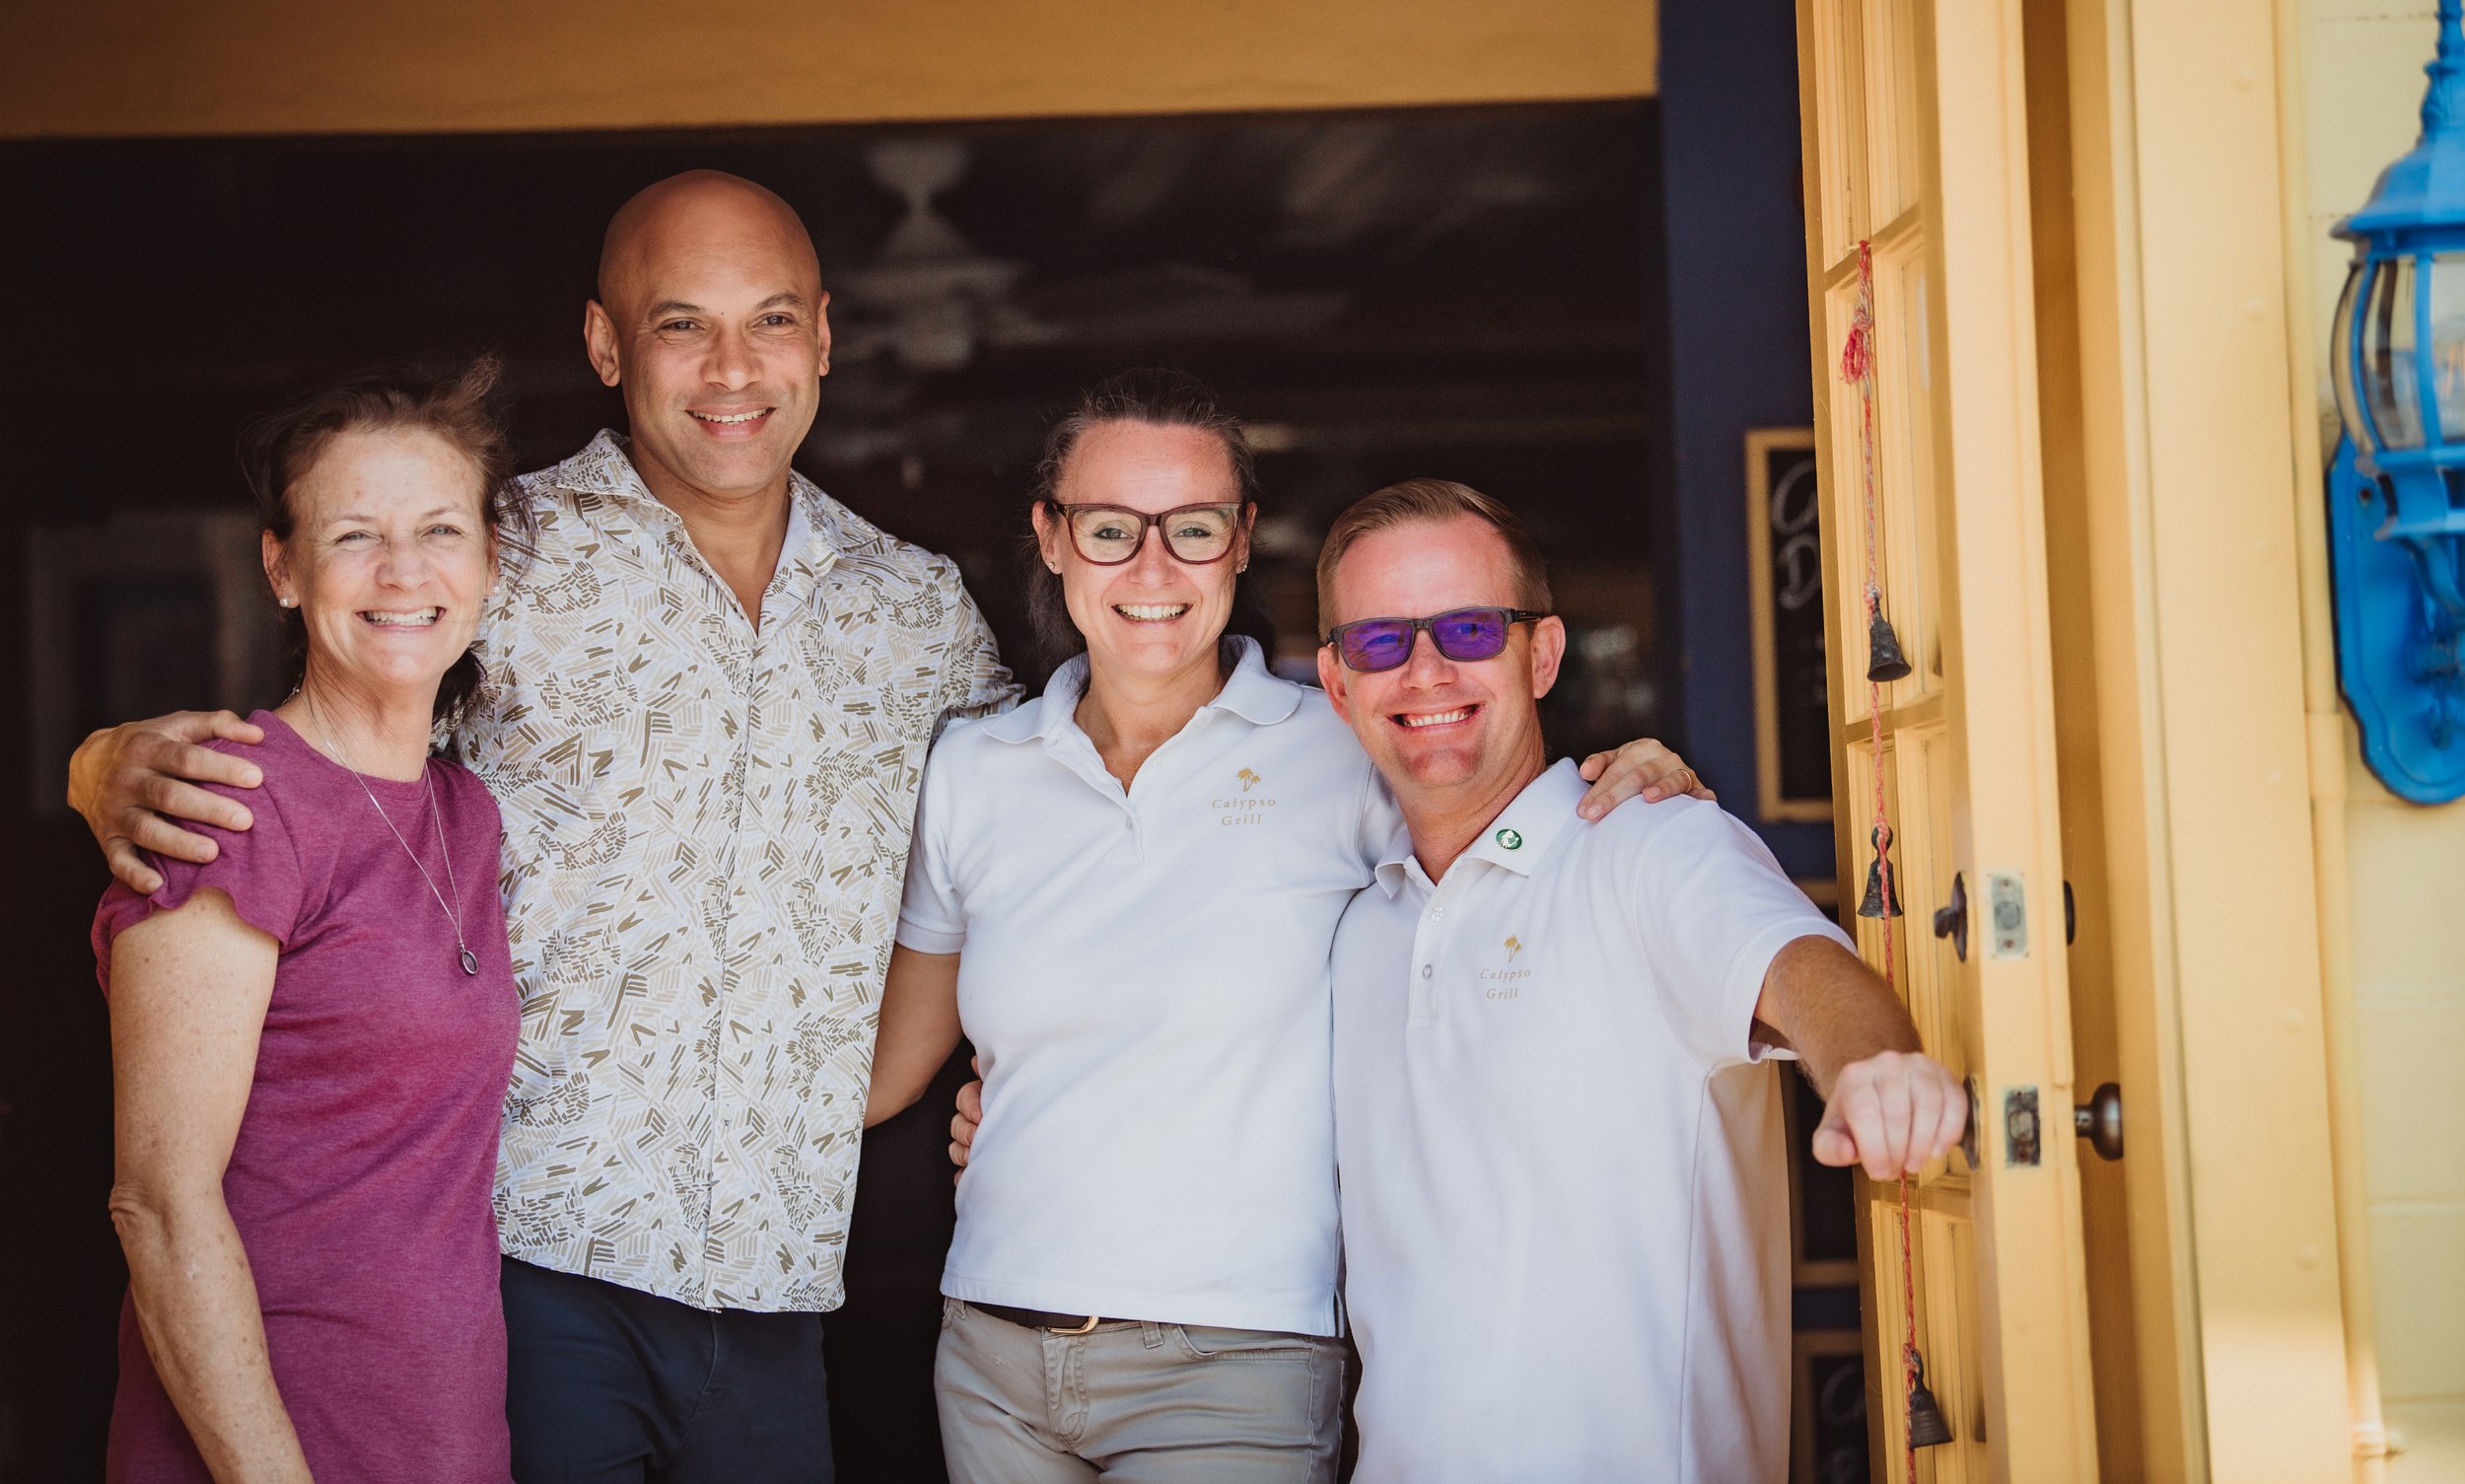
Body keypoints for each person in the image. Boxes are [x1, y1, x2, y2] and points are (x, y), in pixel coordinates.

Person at [68, 172, 1015, 1483]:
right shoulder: (497, 551)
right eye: (682, 323)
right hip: (525, 1267)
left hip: (779, 1280)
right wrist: (103, 757)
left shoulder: (917, 614)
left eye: (774, 319)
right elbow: (332, 746)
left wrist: (884, 1084)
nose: (734, 368)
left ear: (827, 335)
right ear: (605, 344)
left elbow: (1024, 836)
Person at [865, 372, 1707, 1482]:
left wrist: (1636, 778)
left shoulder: (1343, 745)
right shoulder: (974, 771)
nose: (1153, 570)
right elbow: (887, 1071)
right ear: (1051, 537)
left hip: (1237, 1354)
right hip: (992, 1348)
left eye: (1195, 529)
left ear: (1241, 541)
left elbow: (1514, 850)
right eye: (1111, 529)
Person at [1312, 479, 1969, 1484]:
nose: (1427, 669)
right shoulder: (1358, 927)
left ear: (1541, 654)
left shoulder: (1649, 847)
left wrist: (1875, 1069)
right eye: (1379, 642)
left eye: (1469, 628)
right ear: (1335, 680)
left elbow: (1799, 969)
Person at [94, 363, 522, 1482]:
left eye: (439, 529)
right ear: (282, 569)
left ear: (487, 561)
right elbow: (160, 1204)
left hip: (446, 1441)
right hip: (266, 1453)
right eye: (352, 537)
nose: (403, 571)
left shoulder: (466, 814)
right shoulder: (230, 804)